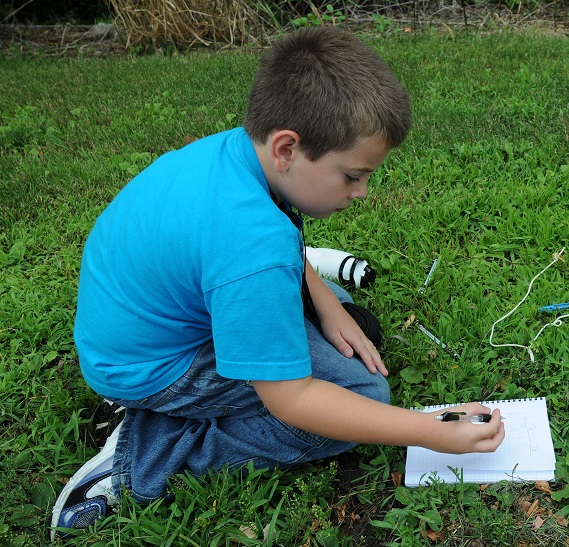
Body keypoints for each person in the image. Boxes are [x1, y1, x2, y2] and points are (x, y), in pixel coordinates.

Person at [51, 26, 505, 538]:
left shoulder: (239, 154)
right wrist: (428, 431)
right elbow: (292, 399)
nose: (363, 193)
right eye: (353, 176)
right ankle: (143, 455)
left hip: (135, 323)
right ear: (288, 147)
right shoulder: (251, 246)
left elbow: (276, 238)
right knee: (365, 395)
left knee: (350, 313)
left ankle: (308, 318)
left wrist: (324, 305)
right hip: (152, 366)